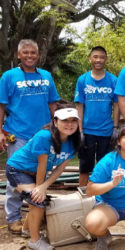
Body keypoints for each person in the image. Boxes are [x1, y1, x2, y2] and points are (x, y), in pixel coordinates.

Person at [0, 39, 60, 234]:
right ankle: (14, 218)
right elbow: (1, 106)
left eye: (33, 53)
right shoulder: (9, 77)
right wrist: (0, 131)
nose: (29, 56)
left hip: (42, 136)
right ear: (18, 55)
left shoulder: (46, 76)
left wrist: (56, 127)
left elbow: (53, 104)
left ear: (38, 55)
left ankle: (34, 216)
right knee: (15, 180)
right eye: (25, 52)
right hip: (18, 136)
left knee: (39, 178)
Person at [5, 103, 80, 250]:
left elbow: (59, 169)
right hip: (17, 169)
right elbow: (42, 165)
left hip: (37, 172)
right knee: (38, 200)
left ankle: (27, 229)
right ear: (55, 121)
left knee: (38, 198)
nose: (69, 124)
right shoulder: (44, 136)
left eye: (73, 120)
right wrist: (40, 188)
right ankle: (35, 240)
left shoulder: (74, 141)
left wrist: (43, 187)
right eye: (65, 120)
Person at [74, 46, 119, 187]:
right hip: (87, 132)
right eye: (95, 57)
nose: (98, 60)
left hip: (106, 131)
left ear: (106, 59)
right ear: (90, 59)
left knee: (104, 167)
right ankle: (82, 198)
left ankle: (102, 198)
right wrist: (79, 130)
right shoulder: (83, 80)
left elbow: (117, 105)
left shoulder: (113, 80)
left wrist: (116, 127)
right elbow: (79, 105)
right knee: (85, 168)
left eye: (101, 57)